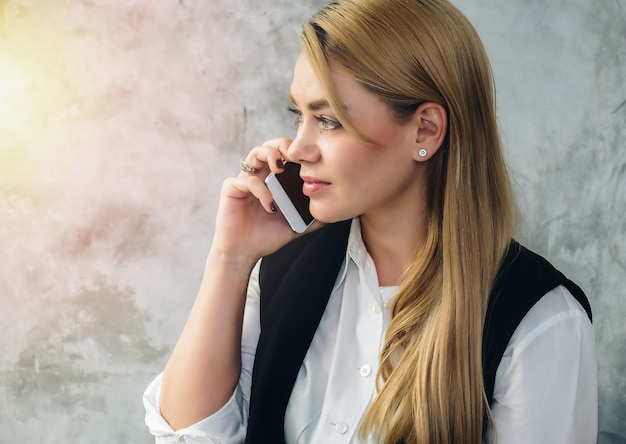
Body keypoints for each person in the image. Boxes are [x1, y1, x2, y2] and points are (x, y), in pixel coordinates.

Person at [143, 0, 597, 442]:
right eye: (298, 115)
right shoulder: (285, 271)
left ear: (425, 130)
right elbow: (189, 435)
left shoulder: (540, 320)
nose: (298, 149)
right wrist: (230, 257)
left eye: (328, 120)